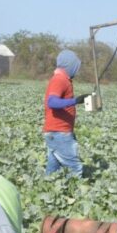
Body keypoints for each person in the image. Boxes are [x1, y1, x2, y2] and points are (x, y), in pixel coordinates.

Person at [44, 49, 88, 177]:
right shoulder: (60, 79)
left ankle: (49, 190)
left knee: (53, 170)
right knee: (75, 168)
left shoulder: (62, 79)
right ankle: (77, 195)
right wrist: (75, 101)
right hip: (59, 133)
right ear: (70, 65)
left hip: (55, 133)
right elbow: (52, 102)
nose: (77, 70)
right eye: (76, 66)